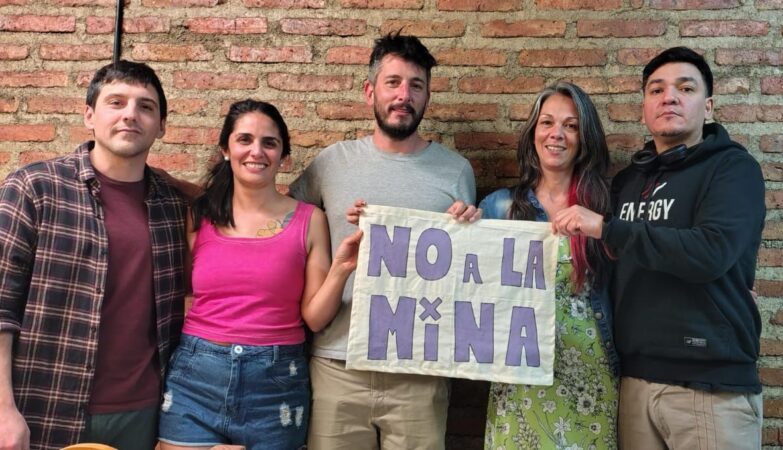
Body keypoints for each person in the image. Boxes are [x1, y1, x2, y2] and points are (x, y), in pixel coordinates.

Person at [553, 47, 765, 449]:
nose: (669, 97)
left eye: (685, 88)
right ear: (644, 109)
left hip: (709, 386)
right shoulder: (628, 182)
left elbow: (710, 252)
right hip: (635, 380)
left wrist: (608, 229)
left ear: (708, 106)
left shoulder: (733, 169)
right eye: (657, 90)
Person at [288, 32, 480, 450]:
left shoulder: (456, 171)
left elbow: (467, 274)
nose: (403, 95)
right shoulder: (331, 163)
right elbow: (285, 223)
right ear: (370, 91)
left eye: (416, 85)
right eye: (393, 82)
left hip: (420, 370)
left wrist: (471, 228)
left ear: (428, 96)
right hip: (338, 365)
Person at [0, 61, 187, 450]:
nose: (130, 115)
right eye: (116, 102)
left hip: (144, 414)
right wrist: (3, 410)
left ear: (162, 126)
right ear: (89, 115)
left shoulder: (174, 204)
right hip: (44, 408)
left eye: (145, 106)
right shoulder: (35, 189)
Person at [157, 99, 362, 450]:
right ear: (226, 150)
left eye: (269, 143)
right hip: (196, 378)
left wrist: (342, 268)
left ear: (284, 157)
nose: (256, 151)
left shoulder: (309, 220)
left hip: (276, 384)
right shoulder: (199, 215)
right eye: (245, 140)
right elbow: (184, 291)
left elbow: (314, 318)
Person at [481, 82, 619, 449]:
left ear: (584, 138)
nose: (557, 134)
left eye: (571, 126)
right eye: (547, 122)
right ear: (533, 133)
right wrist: (460, 225)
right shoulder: (498, 208)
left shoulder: (607, 209)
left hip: (589, 376)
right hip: (519, 377)